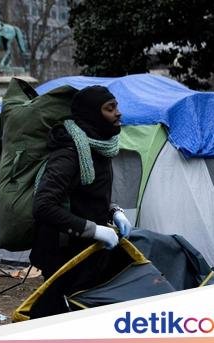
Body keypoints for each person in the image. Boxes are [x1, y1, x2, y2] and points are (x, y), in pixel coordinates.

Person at [29, 85, 133, 318]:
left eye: (116, 106)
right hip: (61, 251)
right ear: (93, 114)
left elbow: (87, 194)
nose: (118, 113)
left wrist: (113, 211)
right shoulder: (69, 152)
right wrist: (94, 230)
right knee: (55, 315)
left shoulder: (100, 145)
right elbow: (43, 205)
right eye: (110, 108)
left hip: (85, 250)